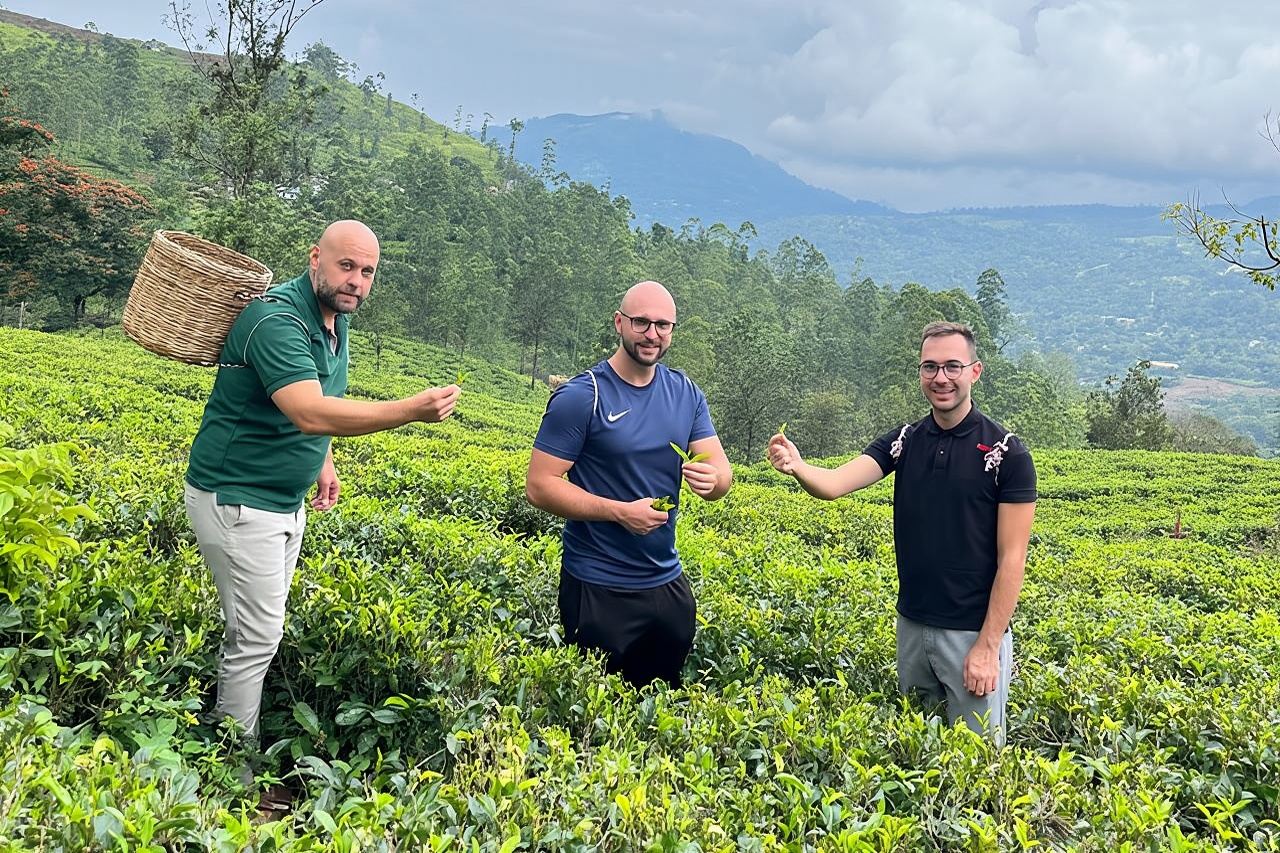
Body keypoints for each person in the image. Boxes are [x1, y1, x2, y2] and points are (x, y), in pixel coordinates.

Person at [184, 219, 461, 750]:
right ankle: (231, 765)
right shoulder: (277, 322)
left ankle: (231, 742)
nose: (356, 280)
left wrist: (323, 462)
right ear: (316, 259)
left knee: (256, 632)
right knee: (256, 638)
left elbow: (319, 400)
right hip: (239, 498)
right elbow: (309, 412)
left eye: (367, 272)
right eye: (346, 266)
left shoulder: (334, 319)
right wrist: (410, 410)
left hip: (284, 501)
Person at [767, 321, 1036, 744]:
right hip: (912, 625)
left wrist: (987, 647)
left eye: (952, 366)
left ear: (975, 371)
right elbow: (836, 484)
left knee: (976, 764)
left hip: (970, 634)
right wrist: (798, 467)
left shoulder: (1006, 452)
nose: (941, 378)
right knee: (916, 754)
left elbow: (1013, 558)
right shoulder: (905, 441)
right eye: (930, 367)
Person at [525, 280, 732, 687]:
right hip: (597, 587)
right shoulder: (583, 396)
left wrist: (715, 481)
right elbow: (539, 485)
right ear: (620, 323)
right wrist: (619, 512)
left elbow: (722, 471)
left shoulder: (686, 393)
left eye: (662, 325)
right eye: (641, 323)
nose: (652, 334)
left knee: (660, 717)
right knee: (595, 719)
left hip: (666, 583)